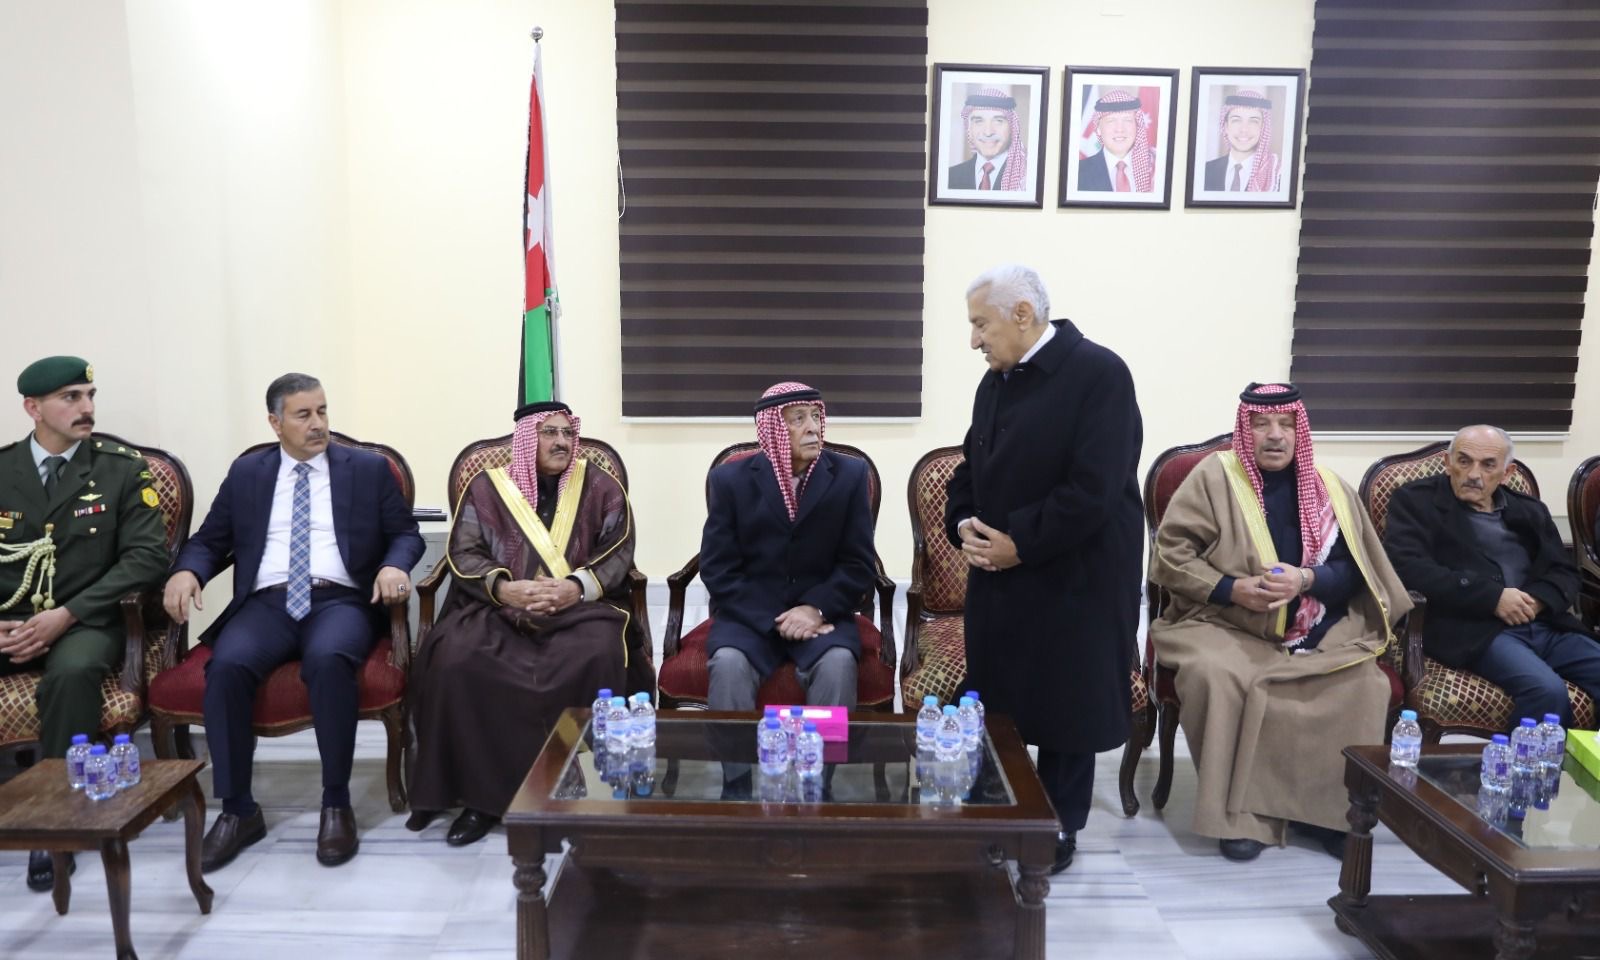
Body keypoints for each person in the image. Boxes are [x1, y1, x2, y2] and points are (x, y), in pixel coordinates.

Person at [164, 373, 423, 872]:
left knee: (329, 660)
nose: (318, 423)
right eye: (304, 415)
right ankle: (238, 810)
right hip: (267, 603)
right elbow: (210, 540)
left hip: (340, 599)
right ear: (275, 422)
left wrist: (394, 565)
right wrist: (186, 572)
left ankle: (336, 804)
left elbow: (405, 534)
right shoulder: (248, 473)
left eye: (322, 411)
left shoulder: (368, 470)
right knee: (227, 667)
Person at [1149, 383, 1410, 862]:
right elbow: (1170, 556)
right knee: (1218, 677)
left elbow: (1356, 569)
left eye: (1286, 424)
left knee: (1362, 685)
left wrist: (1306, 580)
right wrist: (1231, 588)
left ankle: (1328, 816)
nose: (1275, 435)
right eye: (1262, 424)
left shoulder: (1330, 488)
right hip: (1222, 621)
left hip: (1317, 624)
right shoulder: (1213, 479)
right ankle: (1241, 817)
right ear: (1244, 430)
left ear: (1299, 430)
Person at [945, 265, 1143, 876]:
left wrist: (1020, 543)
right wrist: (963, 522)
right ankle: (1000, 808)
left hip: (1077, 575)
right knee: (1000, 695)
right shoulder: (996, 382)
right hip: (1003, 571)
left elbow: (1095, 488)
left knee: (1065, 708)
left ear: (1022, 314)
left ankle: (1058, 825)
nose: (974, 340)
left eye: (981, 324)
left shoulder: (1100, 374)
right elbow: (971, 465)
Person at [407, 401, 640, 846]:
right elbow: (464, 551)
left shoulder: (599, 485)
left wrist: (576, 587)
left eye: (567, 433)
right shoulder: (486, 488)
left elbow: (620, 548)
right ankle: (481, 800)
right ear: (527, 439)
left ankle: (581, 792)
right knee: (457, 659)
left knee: (597, 655)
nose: (561, 442)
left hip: (577, 609)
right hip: (499, 607)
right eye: (550, 433)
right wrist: (503, 588)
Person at [1, 356, 167, 892]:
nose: (87, 407)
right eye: (71, 397)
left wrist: (66, 615)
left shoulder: (121, 469)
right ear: (33, 407)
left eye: (90, 395)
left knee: (72, 675)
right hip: (8, 622)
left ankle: (56, 825)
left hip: (86, 620)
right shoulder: (3, 470)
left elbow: (147, 558)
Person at [1384, 425, 1600, 727]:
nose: (1474, 474)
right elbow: (1408, 568)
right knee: (1546, 690)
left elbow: (1564, 571)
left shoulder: (1529, 509)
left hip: (1543, 623)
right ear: (1448, 463)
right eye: (1464, 461)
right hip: (1476, 630)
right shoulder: (1415, 502)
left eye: (1488, 465)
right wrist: (1493, 598)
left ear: (1506, 472)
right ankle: (1525, 761)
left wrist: (1536, 601)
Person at [700, 382, 876, 717]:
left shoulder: (850, 476)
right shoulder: (729, 481)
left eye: (815, 416)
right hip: (750, 616)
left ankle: (825, 754)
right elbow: (718, 569)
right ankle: (733, 756)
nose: (813, 428)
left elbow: (858, 564)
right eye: (798, 419)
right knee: (728, 664)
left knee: (838, 664)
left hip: (823, 615)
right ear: (772, 429)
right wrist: (775, 619)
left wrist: (815, 610)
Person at [947, 87, 1029, 192]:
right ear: (969, 129)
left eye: (998, 121)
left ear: (1012, 128)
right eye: (979, 121)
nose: (988, 132)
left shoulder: (1027, 177)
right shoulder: (950, 176)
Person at [1076, 90, 1155, 193]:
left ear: (1137, 126)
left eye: (1127, 120)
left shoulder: (1154, 170)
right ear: (1098, 129)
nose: (1119, 129)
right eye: (1111, 121)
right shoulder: (1078, 173)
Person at [1202, 90, 1281, 193]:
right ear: (1225, 126)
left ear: (1263, 128)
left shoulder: (1276, 176)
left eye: (1253, 121)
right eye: (1236, 120)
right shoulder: (1204, 171)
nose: (1244, 129)